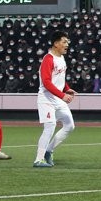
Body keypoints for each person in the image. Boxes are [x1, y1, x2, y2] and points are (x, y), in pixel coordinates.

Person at [34, 30, 77, 168]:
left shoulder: (61, 58)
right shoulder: (48, 59)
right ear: (55, 43)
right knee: (50, 126)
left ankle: (48, 151)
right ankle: (38, 160)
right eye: (64, 42)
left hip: (57, 98)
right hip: (46, 99)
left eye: (67, 42)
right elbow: (47, 82)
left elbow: (59, 79)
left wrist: (66, 88)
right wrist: (63, 95)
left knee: (70, 126)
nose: (67, 44)